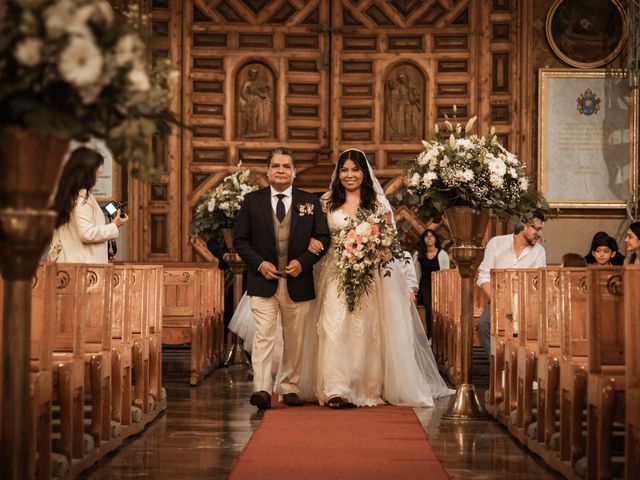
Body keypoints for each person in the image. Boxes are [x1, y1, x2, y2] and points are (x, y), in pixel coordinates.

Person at [299, 148, 453, 409]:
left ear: (364, 173)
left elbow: (392, 244)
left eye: (355, 170)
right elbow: (315, 233)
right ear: (338, 173)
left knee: (364, 331)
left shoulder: (378, 205)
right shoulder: (326, 202)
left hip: (370, 275)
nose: (350, 175)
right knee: (333, 325)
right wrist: (312, 239)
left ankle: (364, 386)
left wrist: (373, 250)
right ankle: (336, 387)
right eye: (345, 170)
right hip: (335, 273)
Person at [234, 147, 330, 410]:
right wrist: (260, 264)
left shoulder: (310, 201)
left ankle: (289, 387)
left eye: (286, 166)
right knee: (264, 337)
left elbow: (323, 238)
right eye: (276, 166)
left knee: (295, 339)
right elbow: (240, 241)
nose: (281, 170)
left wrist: (304, 262)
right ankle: (262, 389)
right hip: (262, 281)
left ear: (294, 171)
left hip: (298, 283)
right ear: (268, 170)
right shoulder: (252, 202)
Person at [476, 211, 547, 358]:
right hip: (498, 300)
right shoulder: (496, 243)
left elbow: (539, 284)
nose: (540, 234)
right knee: (484, 325)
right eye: (537, 229)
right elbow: (483, 276)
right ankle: (501, 365)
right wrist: (499, 301)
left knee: (534, 329)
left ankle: (519, 367)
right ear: (524, 226)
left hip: (525, 305)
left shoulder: (539, 251)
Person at [48, 147, 128, 263]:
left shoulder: (67, 195)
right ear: (87, 172)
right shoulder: (82, 196)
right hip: (83, 269)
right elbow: (86, 234)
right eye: (96, 169)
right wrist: (114, 225)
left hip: (70, 264)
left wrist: (102, 251)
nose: (98, 173)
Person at [413, 229, 450, 339]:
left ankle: (439, 336)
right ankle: (430, 336)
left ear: (435, 239)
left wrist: (445, 288)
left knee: (439, 310)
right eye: (426, 236)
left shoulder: (442, 254)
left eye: (432, 236)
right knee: (429, 308)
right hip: (425, 285)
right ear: (423, 239)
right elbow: (416, 273)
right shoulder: (418, 254)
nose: (429, 238)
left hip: (439, 285)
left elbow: (446, 272)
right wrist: (415, 289)